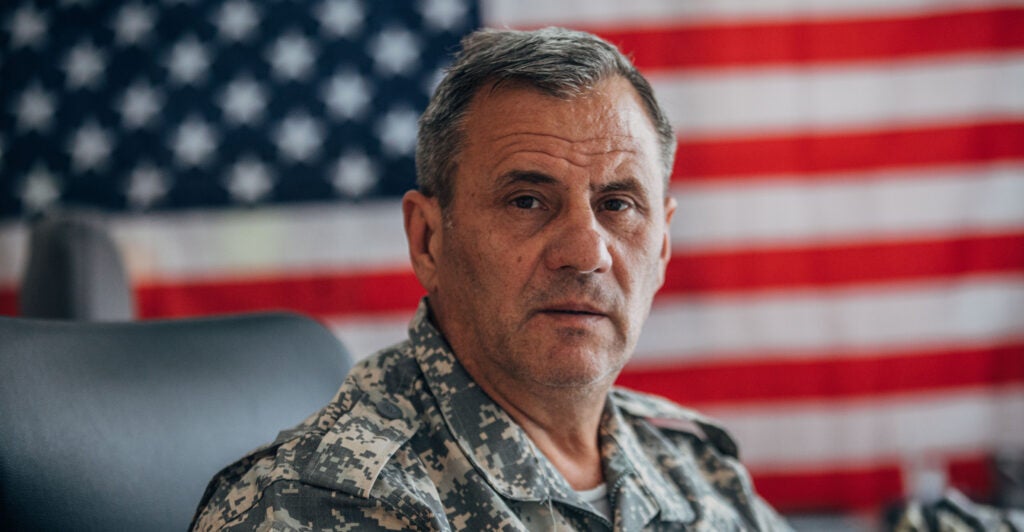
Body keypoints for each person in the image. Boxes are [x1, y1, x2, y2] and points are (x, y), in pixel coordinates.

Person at [191, 27, 792, 531]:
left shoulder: (696, 469)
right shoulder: (327, 503)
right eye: (527, 201)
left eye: (617, 204)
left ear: (661, 246)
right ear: (428, 239)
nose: (586, 252)